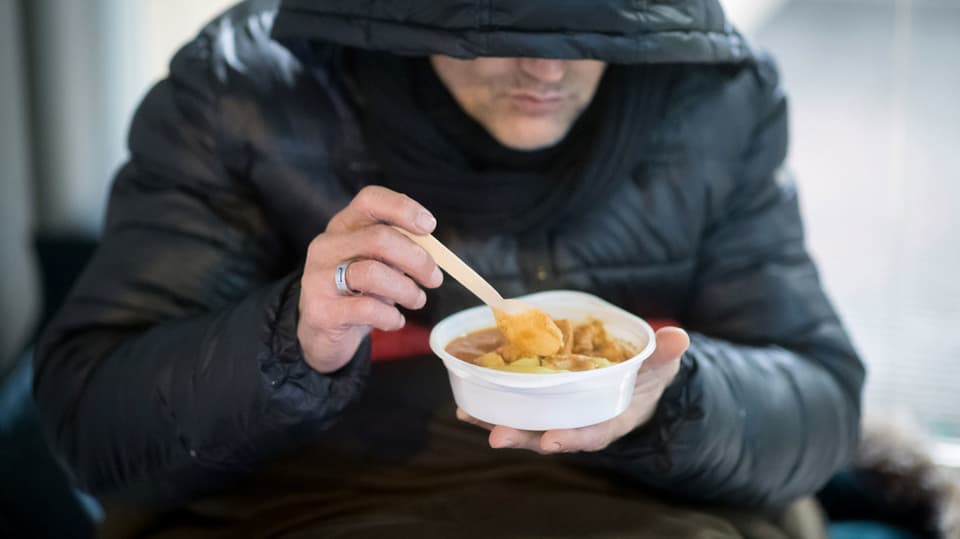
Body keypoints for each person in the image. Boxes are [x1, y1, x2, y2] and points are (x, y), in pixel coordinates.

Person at [33, 0, 865, 537]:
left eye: (592, 32)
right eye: (505, 31)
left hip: (642, 507)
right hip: (306, 502)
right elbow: (90, 421)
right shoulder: (242, 92)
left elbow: (821, 401)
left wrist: (674, 401)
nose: (546, 70)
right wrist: (288, 343)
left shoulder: (715, 95)